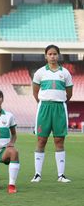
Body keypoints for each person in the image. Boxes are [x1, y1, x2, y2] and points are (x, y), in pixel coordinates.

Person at [31, 44, 73, 183]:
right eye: (50, 54)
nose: (53, 56)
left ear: (58, 55)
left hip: (59, 107)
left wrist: (58, 99)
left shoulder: (65, 73)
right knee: (41, 140)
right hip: (44, 108)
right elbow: (35, 91)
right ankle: (37, 174)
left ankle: (61, 175)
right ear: (46, 56)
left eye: (55, 54)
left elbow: (69, 93)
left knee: (59, 140)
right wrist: (44, 102)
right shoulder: (40, 73)